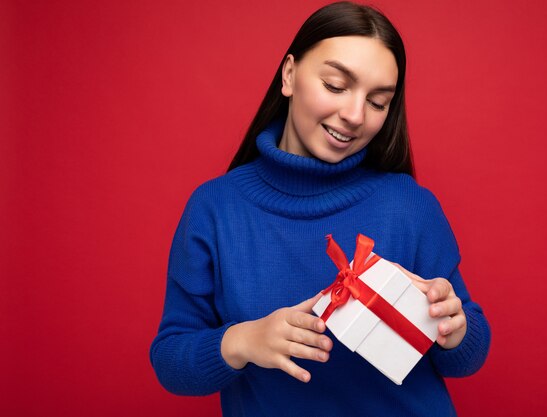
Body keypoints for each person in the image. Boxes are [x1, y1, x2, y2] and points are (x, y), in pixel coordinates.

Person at [150, 2, 490, 416]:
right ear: (289, 75)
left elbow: (468, 356)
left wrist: (455, 329)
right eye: (335, 85)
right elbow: (169, 360)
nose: (353, 115)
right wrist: (242, 341)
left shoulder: (410, 206)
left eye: (378, 102)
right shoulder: (215, 209)